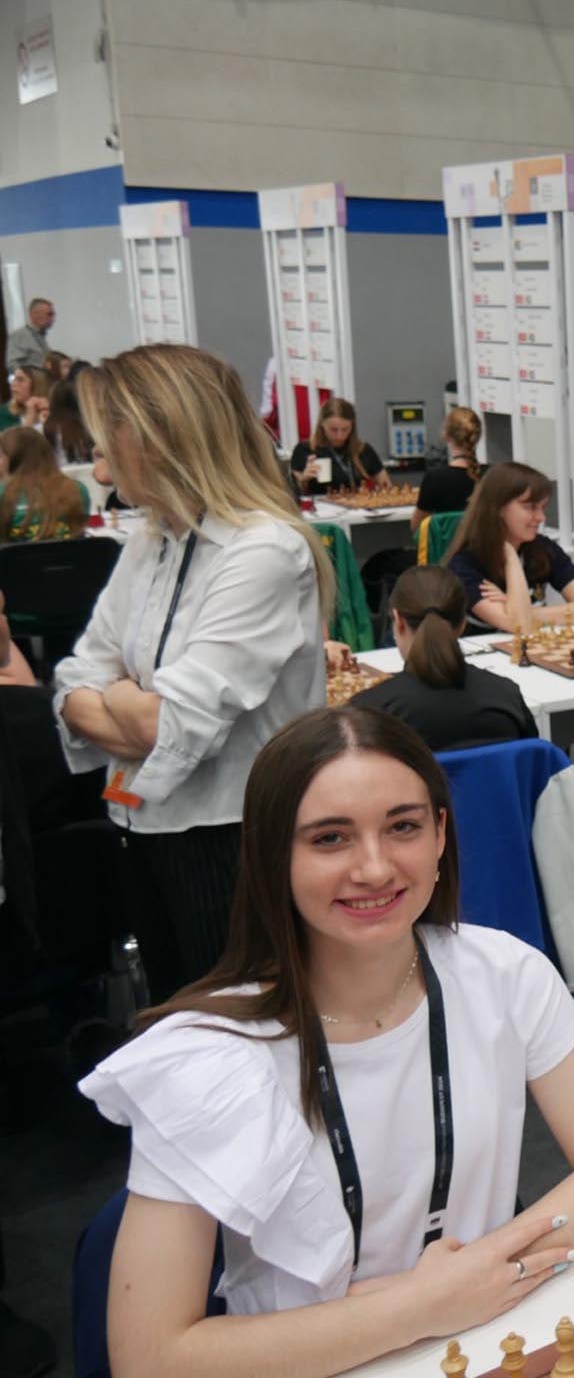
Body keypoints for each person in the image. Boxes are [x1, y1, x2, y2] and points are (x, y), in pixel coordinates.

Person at [78, 707, 574, 1377]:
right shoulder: (206, 1055)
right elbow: (149, 1358)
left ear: (441, 833)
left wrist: (481, 1275)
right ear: (272, 855)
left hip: (483, 1339)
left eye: (403, 826)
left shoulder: (504, 973)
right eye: (330, 838)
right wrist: (418, 1305)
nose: (375, 867)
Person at [54, 344, 333, 998]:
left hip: (233, 838)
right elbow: (72, 680)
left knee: (240, 1026)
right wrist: (123, 703)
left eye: (106, 440)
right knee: (179, 1017)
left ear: (160, 437)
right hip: (142, 820)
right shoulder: (152, 537)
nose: (98, 460)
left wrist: (117, 697)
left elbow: (168, 722)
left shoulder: (265, 550)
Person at [348, 565, 535, 749]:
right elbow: (533, 765)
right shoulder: (506, 696)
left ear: (398, 621)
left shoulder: (370, 711)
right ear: (463, 624)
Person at [445, 461, 574, 634]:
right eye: (530, 507)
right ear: (498, 508)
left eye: (543, 507)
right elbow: (517, 625)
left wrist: (522, 610)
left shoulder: (544, 548)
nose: (541, 517)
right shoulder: (464, 564)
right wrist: (511, 557)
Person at [0, 427, 90, 541]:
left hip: (18, 558)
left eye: (1, 456)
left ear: (11, 459)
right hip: (69, 557)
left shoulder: (3, 493)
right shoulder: (77, 489)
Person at [291, 397, 385, 495]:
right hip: (320, 508)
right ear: (322, 424)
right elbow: (292, 493)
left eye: (345, 429)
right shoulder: (305, 449)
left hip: (358, 507)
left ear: (352, 427)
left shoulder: (363, 450)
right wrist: (304, 479)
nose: (339, 436)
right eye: (333, 429)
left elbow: (386, 485)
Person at [412, 406, 482, 534]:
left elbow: (417, 527)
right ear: (478, 436)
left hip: (446, 553)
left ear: (446, 435)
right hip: (484, 552)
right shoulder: (493, 475)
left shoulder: (434, 478)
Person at [42, 377, 94, 464]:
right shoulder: (89, 425)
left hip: (60, 474)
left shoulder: (46, 428)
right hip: (88, 472)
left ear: (52, 401)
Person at [4, 298, 53, 372]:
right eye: (49, 314)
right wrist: (32, 376)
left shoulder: (40, 336)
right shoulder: (20, 336)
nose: (52, 319)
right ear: (34, 314)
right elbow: (12, 365)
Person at [0, 364, 48, 433]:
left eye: (20, 380)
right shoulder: (3, 413)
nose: (13, 384)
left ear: (37, 385)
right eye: (13, 379)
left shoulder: (49, 414)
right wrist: (30, 416)